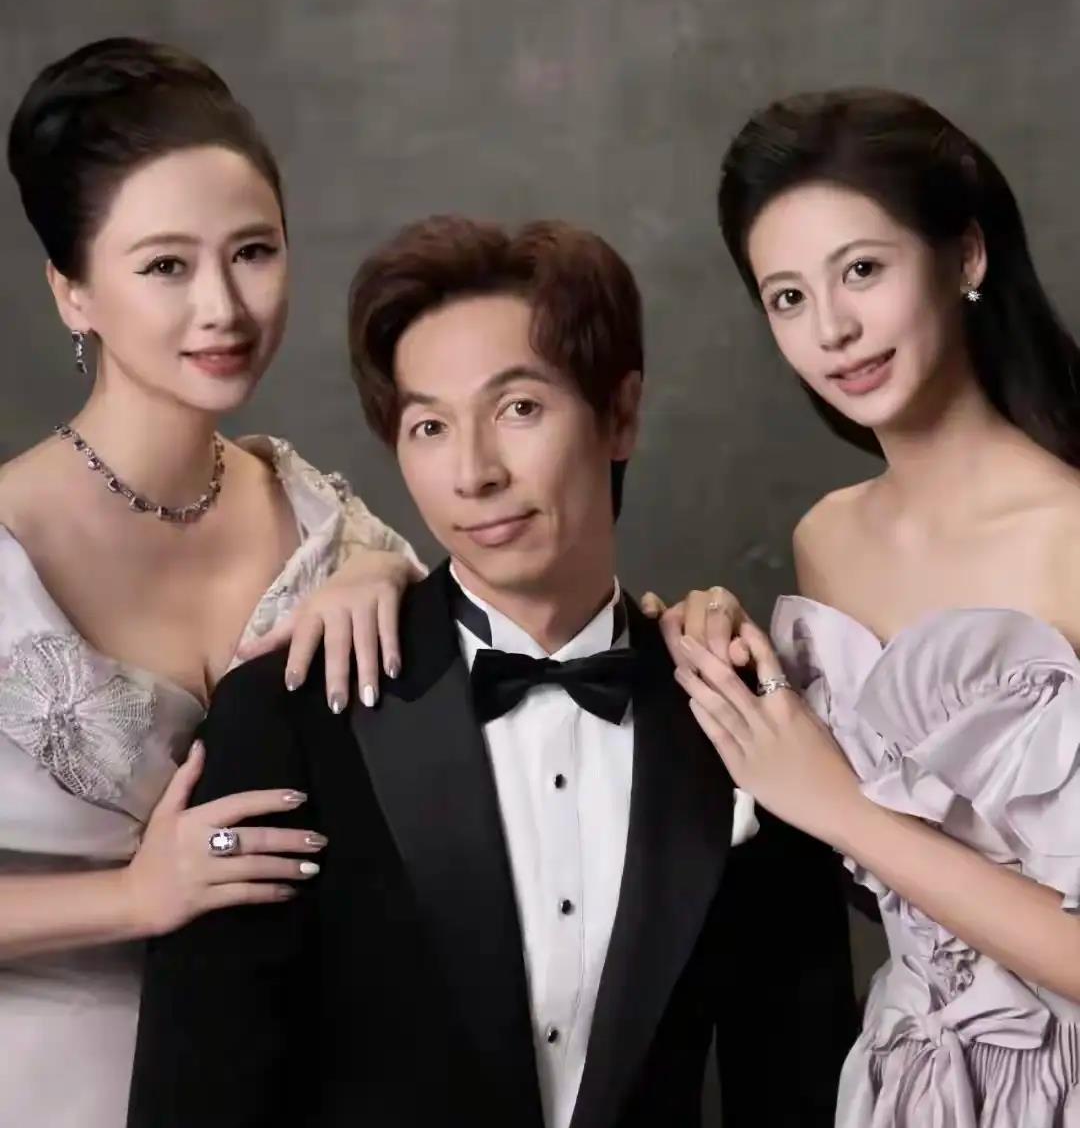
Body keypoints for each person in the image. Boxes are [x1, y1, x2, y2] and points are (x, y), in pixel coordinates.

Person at [127, 215, 856, 1127]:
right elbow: (197, 1096)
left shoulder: (739, 716)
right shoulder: (290, 714)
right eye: (430, 426)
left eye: (518, 410)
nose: (473, 473)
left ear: (621, 414)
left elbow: (797, 1085)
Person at [0, 38, 422, 1128]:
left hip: (294, 1082)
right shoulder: (8, 543)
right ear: (72, 293)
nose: (225, 306)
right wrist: (134, 895)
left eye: (253, 251)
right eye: (165, 266)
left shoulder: (326, 522)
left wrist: (389, 577)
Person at [662, 89, 1080, 1125]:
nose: (833, 329)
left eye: (861, 270)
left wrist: (841, 806)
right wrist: (722, 659)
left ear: (966, 254)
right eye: (787, 297)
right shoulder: (828, 543)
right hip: (908, 1086)